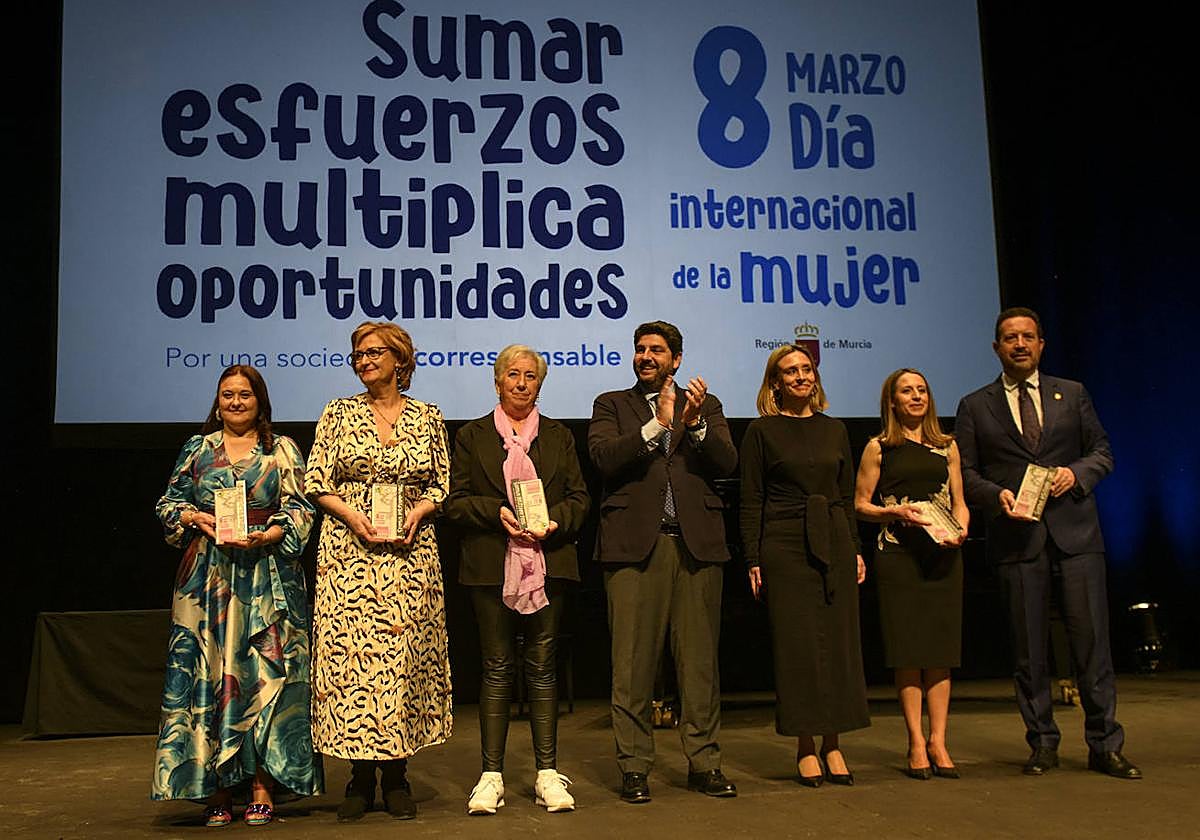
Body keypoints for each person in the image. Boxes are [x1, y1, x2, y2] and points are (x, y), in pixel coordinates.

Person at [955, 307, 1139, 779]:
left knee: (1092, 644)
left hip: (1077, 536)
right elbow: (966, 474)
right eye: (1010, 338)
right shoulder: (975, 405)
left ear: (1041, 344)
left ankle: (1105, 744)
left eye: (1027, 336)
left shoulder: (1072, 393)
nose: (1019, 344)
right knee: (1028, 650)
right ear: (996, 347)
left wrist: (1075, 475)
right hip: (1016, 540)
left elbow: (1102, 452)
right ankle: (1042, 742)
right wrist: (996, 497)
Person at [152, 365, 321, 827]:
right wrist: (194, 518)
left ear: (259, 400)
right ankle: (218, 789)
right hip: (208, 579)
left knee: (267, 673)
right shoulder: (198, 449)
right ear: (218, 401)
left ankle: (264, 787)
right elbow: (168, 504)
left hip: (267, 574)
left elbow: (301, 507)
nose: (236, 402)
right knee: (211, 674)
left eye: (245, 394)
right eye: (227, 394)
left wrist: (272, 534)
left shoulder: (281, 449)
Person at [306, 321, 454, 820]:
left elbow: (441, 484)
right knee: (354, 667)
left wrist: (419, 511)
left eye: (374, 353)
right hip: (350, 556)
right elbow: (316, 481)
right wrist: (353, 517)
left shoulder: (427, 416)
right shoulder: (338, 412)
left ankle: (395, 776)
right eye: (358, 355)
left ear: (399, 360)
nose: (365, 361)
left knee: (402, 664)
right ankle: (358, 777)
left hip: (410, 556)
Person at [588, 320, 739, 803]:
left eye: (656, 350)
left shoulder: (706, 406)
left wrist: (692, 424)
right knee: (632, 665)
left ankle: (705, 763)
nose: (646, 356)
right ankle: (634, 767)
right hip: (636, 547)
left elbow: (727, 463)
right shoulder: (612, 404)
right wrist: (658, 424)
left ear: (676, 359)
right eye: (640, 349)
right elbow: (604, 458)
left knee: (699, 666)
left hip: (696, 546)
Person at [443, 345, 590, 815]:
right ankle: (491, 776)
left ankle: (547, 774)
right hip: (491, 564)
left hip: (549, 561)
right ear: (498, 381)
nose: (521, 383)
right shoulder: (472, 436)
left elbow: (579, 498)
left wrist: (554, 522)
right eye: (513, 374)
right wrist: (497, 512)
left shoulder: (559, 436)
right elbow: (455, 501)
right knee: (497, 666)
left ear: (539, 384)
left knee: (542, 666)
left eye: (530, 376)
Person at [739, 344, 869, 786]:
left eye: (806, 369)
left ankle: (834, 743)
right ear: (775, 383)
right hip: (784, 542)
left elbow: (845, 496)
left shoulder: (835, 429)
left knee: (839, 642)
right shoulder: (761, 431)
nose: (800, 376)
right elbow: (752, 499)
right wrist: (753, 558)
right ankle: (805, 746)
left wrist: (854, 547)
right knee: (798, 647)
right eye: (790, 371)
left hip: (833, 538)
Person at [854, 369, 969, 780]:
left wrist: (961, 529)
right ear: (893, 401)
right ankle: (916, 742)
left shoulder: (947, 446)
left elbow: (959, 500)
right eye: (907, 391)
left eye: (922, 390)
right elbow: (860, 504)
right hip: (899, 556)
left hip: (943, 556)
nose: (917, 396)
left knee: (940, 653)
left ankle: (939, 740)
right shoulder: (880, 447)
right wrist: (893, 512)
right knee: (908, 652)